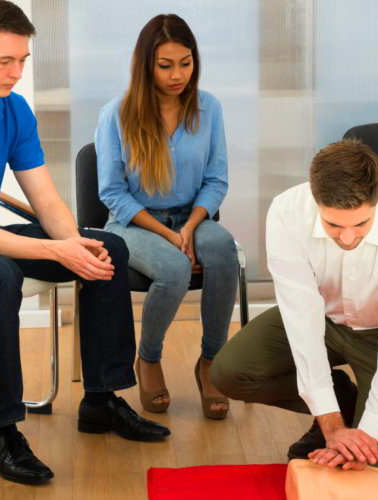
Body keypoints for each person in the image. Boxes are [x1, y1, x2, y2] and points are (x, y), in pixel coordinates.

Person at [0, 0, 168, 486]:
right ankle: (0, 433)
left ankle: (101, 400)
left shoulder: (13, 109)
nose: (17, 73)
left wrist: (76, 243)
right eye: (5, 61)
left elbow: (45, 200)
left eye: (23, 60)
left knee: (107, 248)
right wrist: (53, 251)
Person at [209, 139, 378, 475]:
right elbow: (301, 316)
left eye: (360, 225)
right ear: (315, 199)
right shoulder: (286, 213)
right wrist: (330, 423)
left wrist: (368, 433)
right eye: (333, 225)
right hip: (322, 318)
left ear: (377, 199)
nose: (347, 239)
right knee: (228, 373)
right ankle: (342, 400)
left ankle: (375, 412)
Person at [95, 14, 238, 420]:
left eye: (186, 62)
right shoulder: (116, 114)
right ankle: (149, 358)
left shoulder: (209, 108)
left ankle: (212, 360)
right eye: (165, 65)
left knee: (223, 248)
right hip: (132, 223)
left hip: (190, 217)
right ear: (145, 65)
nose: (178, 75)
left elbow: (215, 180)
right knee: (174, 269)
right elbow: (112, 193)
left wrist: (190, 227)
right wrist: (168, 235)